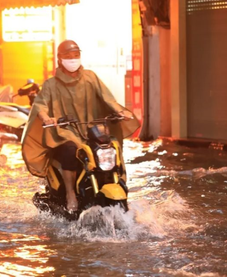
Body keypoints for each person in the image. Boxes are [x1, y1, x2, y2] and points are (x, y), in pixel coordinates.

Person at [21, 40, 139, 212]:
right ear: (60, 59)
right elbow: (40, 105)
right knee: (70, 150)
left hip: (91, 129)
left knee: (112, 145)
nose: (73, 59)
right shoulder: (51, 85)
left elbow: (108, 98)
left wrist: (121, 112)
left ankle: (118, 184)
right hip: (65, 132)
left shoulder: (90, 77)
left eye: (76, 56)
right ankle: (70, 194)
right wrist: (46, 118)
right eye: (68, 57)